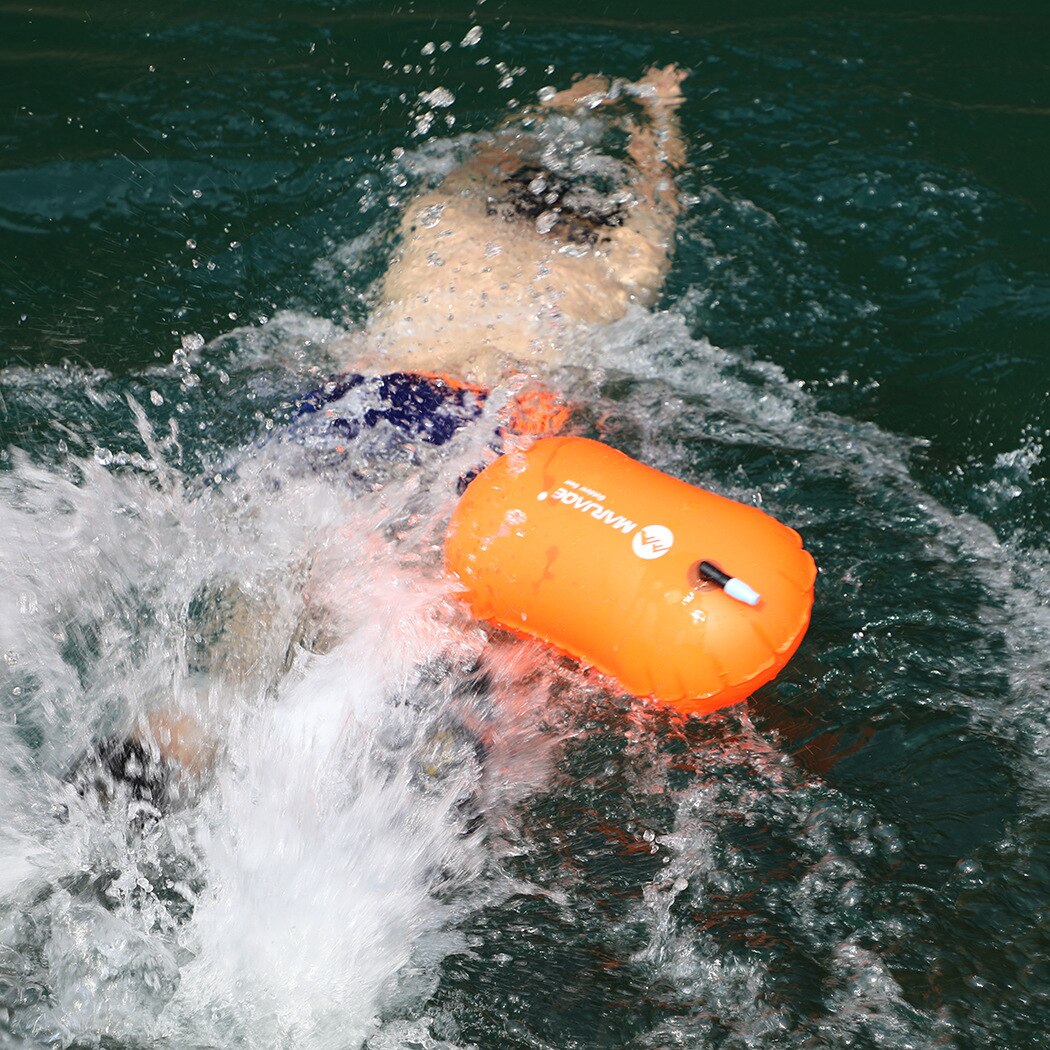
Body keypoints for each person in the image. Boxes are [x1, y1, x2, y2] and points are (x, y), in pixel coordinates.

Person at [68, 65, 690, 809]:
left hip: (345, 407)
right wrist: (661, 119)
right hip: (476, 427)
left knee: (267, 610)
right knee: (440, 603)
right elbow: (657, 209)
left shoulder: (442, 223)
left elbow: (481, 159)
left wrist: (551, 107)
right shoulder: (608, 271)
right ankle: (432, 735)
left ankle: (161, 745)